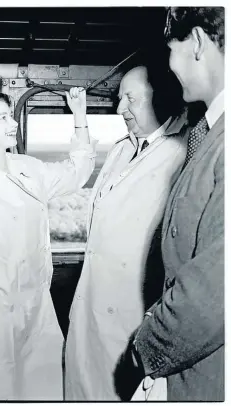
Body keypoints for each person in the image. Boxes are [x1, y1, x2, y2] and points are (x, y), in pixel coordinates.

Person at [0, 88, 96, 400]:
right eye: (3, 117)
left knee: (43, 384)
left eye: (11, 116)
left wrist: (79, 114)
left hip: (37, 302)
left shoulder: (30, 168)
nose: (13, 123)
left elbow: (78, 171)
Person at [63, 64, 189, 400]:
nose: (121, 110)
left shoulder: (181, 153)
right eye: (120, 100)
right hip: (92, 303)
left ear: (158, 99)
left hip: (131, 312)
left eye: (130, 99)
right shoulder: (121, 149)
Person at [125, 7, 225, 401]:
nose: (170, 65)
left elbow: (212, 295)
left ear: (197, 42)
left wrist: (146, 345)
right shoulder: (210, 133)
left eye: (172, 49)